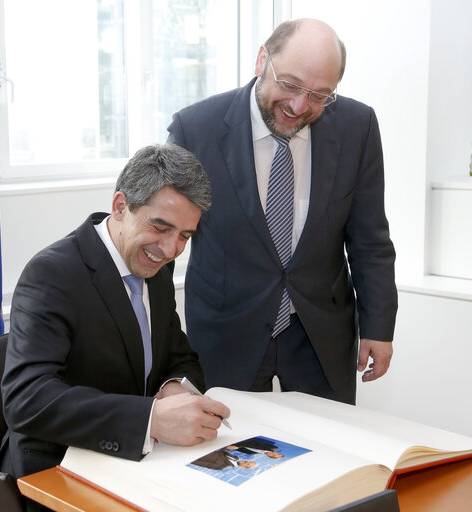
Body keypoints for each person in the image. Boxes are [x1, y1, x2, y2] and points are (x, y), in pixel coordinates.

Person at [167, 18, 397, 404]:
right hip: (227, 331)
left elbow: (370, 240)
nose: (299, 106)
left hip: (321, 333)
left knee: (330, 451)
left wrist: (379, 326)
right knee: (228, 456)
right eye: (289, 85)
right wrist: (164, 356)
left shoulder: (358, 127)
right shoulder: (196, 130)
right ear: (262, 60)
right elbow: (163, 239)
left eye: (320, 95)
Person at [0, 144, 231, 506]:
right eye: (161, 227)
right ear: (120, 206)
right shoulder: (52, 274)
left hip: (138, 465)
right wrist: (150, 419)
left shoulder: (154, 265)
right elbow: (27, 400)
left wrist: (172, 389)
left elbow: (179, 357)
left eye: (185, 236)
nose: (170, 250)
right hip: (55, 473)